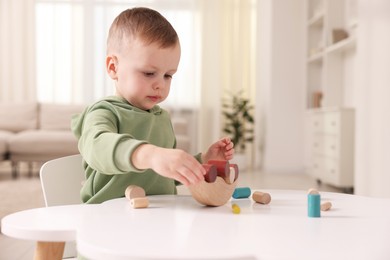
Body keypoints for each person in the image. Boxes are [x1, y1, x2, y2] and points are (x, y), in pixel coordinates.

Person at [71, 7, 234, 204]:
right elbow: (97, 147)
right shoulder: (104, 112)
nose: (160, 84)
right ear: (114, 67)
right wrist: (150, 155)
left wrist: (202, 161)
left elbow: (165, 176)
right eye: (149, 73)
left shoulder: (161, 118)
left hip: (160, 220)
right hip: (108, 220)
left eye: (168, 75)